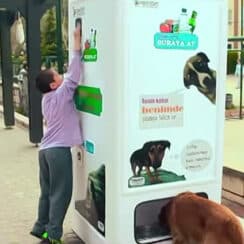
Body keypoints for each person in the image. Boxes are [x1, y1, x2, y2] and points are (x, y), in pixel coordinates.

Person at [30, 26, 83, 244]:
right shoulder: (61, 94)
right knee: (61, 194)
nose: (62, 77)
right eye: (57, 76)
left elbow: (67, 78)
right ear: (53, 84)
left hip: (44, 151)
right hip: (58, 153)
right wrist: (77, 45)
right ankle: (52, 237)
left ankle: (40, 227)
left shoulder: (47, 99)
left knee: (47, 192)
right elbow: (74, 75)